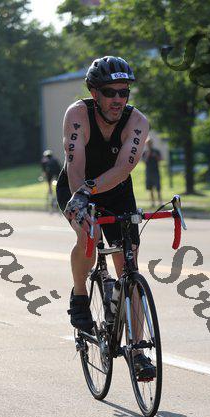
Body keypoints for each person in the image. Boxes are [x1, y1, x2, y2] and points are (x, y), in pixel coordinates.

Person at [56, 55, 155, 379]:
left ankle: (137, 350)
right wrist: (81, 197)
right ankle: (79, 295)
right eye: (110, 92)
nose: (117, 99)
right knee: (90, 235)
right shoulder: (77, 115)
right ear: (94, 92)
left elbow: (123, 169)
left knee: (129, 265)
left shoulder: (137, 122)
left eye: (123, 92)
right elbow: (75, 166)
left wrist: (93, 189)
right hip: (76, 185)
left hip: (116, 189)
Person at [143, 137, 162, 208]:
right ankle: (152, 202)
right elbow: (144, 161)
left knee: (158, 188)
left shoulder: (156, 151)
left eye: (150, 143)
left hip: (156, 171)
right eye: (148, 144)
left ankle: (160, 202)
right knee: (150, 188)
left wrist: (156, 156)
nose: (149, 145)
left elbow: (160, 159)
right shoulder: (145, 152)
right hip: (148, 172)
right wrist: (148, 155)